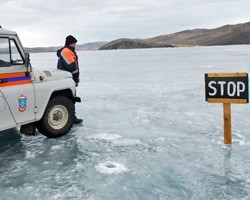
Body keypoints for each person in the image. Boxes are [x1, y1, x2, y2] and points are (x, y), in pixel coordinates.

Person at [57, 35, 83, 124]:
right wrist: (76, 76)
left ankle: (71, 116)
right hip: (67, 78)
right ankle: (71, 117)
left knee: (69, 97)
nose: (75, 45)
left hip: (67, 78)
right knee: (70, 97)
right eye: (75, 43)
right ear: (71, 43)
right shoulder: (66, 52)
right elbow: (72, 67)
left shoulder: (68, 51)